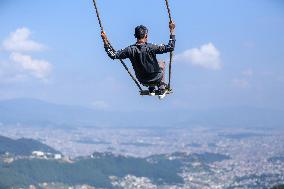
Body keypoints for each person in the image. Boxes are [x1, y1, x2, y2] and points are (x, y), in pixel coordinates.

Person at [101, 21, 176, 97]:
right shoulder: (151, 47)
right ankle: (161, 87)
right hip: (156, 79)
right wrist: (172, 30)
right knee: (161, 63)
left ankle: (151, 88)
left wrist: (105, 41)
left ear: (135, 36)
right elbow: (170, 47)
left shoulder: (130, 50)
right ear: (146, 36)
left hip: (143, 81)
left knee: (148, 65)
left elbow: (112, 55)